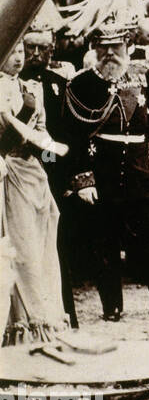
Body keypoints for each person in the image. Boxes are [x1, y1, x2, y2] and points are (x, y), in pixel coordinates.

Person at [64, 7, 149, 322]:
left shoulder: (143, 74)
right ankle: (112, 306)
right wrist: (84, 179)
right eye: (103, 48)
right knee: (106, 239)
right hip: (102, 168)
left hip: (138, 167)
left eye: (116, 48)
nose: (109, 54)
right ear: (94, 49)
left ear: (127, 47)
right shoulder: (81, 85)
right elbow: (73, 135)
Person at [0, 42, 68, 341]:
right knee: (21, 247)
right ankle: (24, 324)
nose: (18, 58)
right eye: (11, 52)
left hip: (33, 172)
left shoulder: (32, 89)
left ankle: (46, 320)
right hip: (7, 172)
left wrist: (51, 153)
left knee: (43, 245)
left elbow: (43, 132)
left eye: (20, 52)